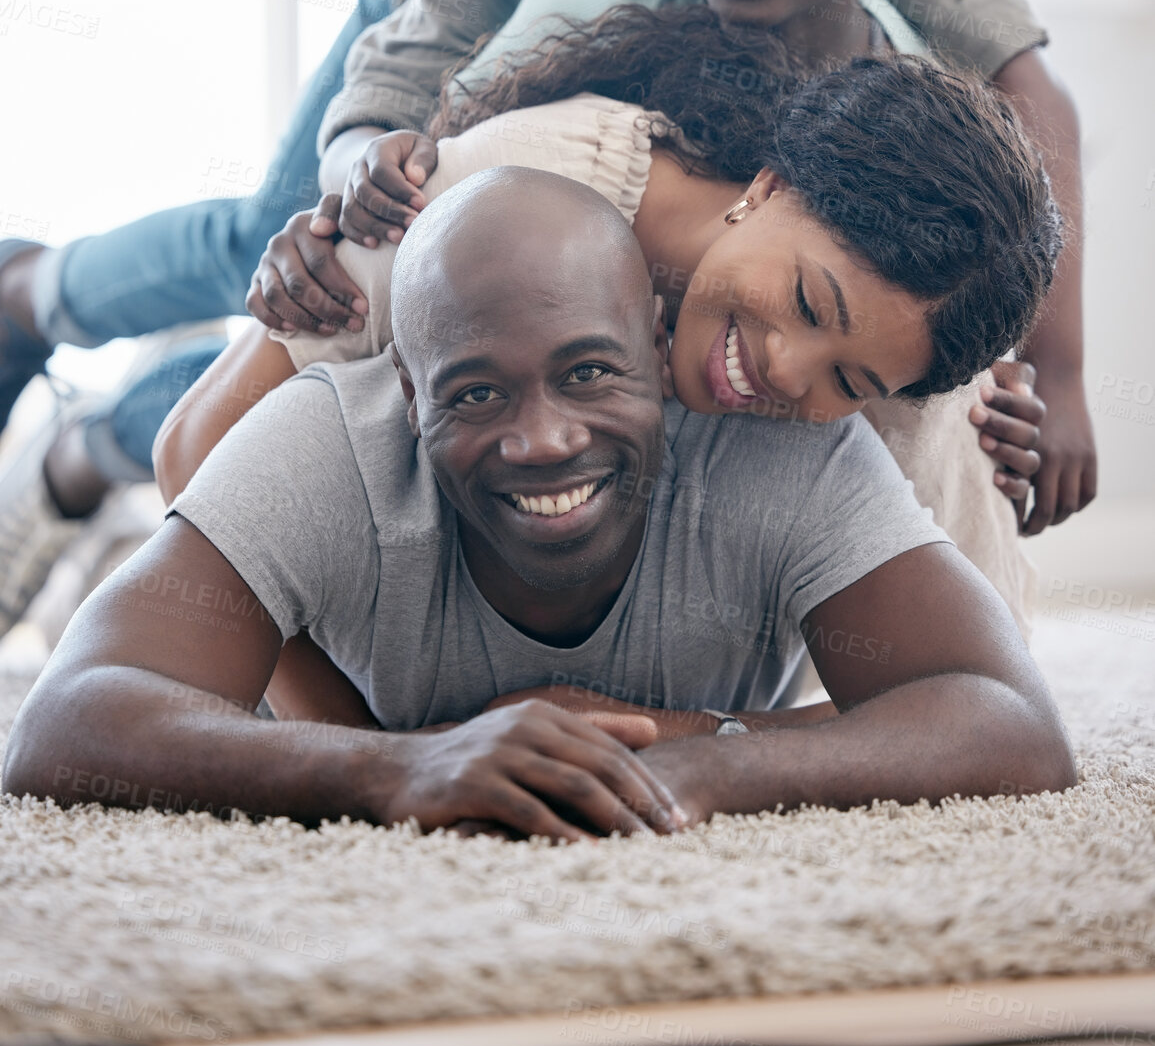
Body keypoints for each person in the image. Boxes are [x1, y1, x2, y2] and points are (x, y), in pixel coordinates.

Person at [0, 0, 1059, 632]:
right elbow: (404, 77)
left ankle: (91, 441)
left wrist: (1032, 370)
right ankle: (37, 296)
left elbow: (1025, 98)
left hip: (675, 141)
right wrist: (356, 192)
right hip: (412, 62)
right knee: (283, 267)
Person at [2, 169, 1075, 838]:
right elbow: (64, 722)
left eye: (591, 374)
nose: (544, 438)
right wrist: (402, 766)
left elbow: (1010, 717)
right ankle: (73, 408)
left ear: (659, 356)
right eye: (476, 392)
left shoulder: (779, 453)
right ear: (410, 391)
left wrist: (710, 759)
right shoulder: (333, 437)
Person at [155, 17, 1057, 746]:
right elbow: (196, 448)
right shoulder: (495, 197)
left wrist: (683, 734)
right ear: (769, 188)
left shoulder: (912, 372)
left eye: (848, 377)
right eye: (804, 302)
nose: (786, 368)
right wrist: (387, 754)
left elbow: (984, 699)